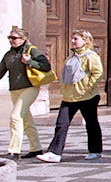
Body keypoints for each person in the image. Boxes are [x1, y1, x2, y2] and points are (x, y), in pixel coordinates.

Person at [36, 30, 103, 163]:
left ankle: (95, 151)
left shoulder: (91, 56)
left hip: (87, 96)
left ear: (85, 40)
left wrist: (87, 88)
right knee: (62, 124)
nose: (72, 41)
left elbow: (98, 73)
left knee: (91, 124)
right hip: (69, 97)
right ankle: (55, 153)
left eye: (75, 39)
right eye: (72, 39)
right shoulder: (71, 57)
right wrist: (63, 88)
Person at [0, 27, 51, 160]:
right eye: (9, 38)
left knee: (15, 117)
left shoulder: (31, 50)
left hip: (29, 88)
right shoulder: (8, 55)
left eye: (14, 38)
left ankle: (14, 151)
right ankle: (36, 148)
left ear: (23, 39)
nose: (11, 40)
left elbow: (46, 66)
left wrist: (29, 61)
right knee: (26, 119)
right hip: (15, 90)